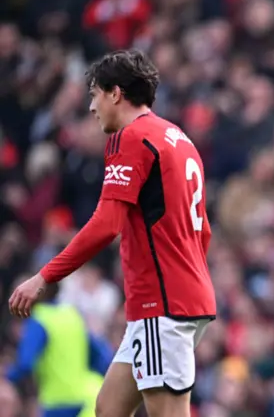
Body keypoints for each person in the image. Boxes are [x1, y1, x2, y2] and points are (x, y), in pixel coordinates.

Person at [8, 50, 216, 417]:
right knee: (108, 408)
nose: (92, 107)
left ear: (115, 93)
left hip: (162, 302)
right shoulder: (178, 138)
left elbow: (107, 223)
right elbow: (204, 231)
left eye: (94, 95)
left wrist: (45, 276)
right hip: (182, 296)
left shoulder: (130, 138)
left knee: (167, 413)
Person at [6, 280, 111, 417]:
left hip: (60, 403)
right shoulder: (72, 314)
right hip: (92, 397)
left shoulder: (39, 319)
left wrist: (6, 377)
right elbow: (103, 356)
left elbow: (25, 364)